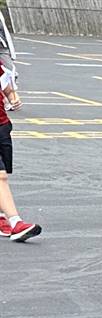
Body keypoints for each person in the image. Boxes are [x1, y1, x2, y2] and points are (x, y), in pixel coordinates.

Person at [0, 53, 38, 240]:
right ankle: (16, 222)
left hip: (1, 125)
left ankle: (2, 217)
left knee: (3, 173)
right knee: (0, 176)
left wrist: (11, 97)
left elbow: (4, 84)